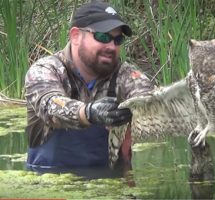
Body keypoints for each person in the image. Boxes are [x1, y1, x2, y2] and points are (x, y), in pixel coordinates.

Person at [24, 1, 154, 175]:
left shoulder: (126, 76)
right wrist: (90, 113)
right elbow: (50, 105)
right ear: (76, 36)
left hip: (111, 184)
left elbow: (151, 101)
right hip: (47, 180)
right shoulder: (45, 70)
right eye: (103, 37)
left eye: (118, 39)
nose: (111, 46)